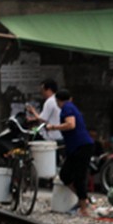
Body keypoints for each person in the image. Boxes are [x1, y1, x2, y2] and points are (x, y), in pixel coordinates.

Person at [45, 89, 95, 217]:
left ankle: (84, 209)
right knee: (65, 174)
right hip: (76, 147)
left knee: (79, 177)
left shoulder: (67, 108)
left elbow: (71, 125)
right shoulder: (71, 106)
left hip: (81, 146)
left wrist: (54, 127)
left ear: (58, 101)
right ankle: (82, 199)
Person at [26, 79, 63, 143]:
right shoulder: (56, 99)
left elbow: (42, 119)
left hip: (51, 136)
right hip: (58, 133)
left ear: (48, 90)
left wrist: (33, 111)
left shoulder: (49, 101)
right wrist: (34, 119)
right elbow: (49, 117)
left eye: (42, 90)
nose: (41, 93)